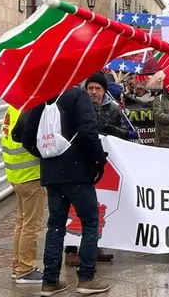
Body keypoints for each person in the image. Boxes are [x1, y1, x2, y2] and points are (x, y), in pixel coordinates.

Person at [22, 87, 110, 296]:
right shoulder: (78, 96)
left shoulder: (40, 97)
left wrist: (48, 155)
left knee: (56, 225)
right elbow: (89, 132)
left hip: (52, 175)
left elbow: (26, 138)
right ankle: (86, 278)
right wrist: (99, 161)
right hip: (78, 172)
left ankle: (50, 281)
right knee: (90, 222)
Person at [64, 72, 122, 266]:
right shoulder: (76, 106)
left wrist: (114, 132)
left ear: (104, 91)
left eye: (98, 89)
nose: (94, 92)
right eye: (91, 88)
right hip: (79, 165)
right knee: (74, 208)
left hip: (103, 165)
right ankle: (71, 249)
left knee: (97, 207)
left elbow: (124, 133)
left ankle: (92, 247)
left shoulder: (114, 109)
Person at [2, 106, 45, 284]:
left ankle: (17, 265)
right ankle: (25, 269)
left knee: (22, 222)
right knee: (31, 224)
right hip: (30, 174)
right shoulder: (29, 108)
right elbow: (27, 138)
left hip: (16, 174)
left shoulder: (12, 108)